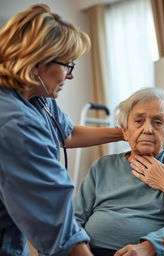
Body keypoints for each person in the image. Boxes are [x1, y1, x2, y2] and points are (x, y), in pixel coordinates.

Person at [0, 4, 123, 256]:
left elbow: (67, 135)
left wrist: (124, 133)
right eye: (67, 64)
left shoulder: (38, 98)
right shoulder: (15, 122)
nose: (70, 75)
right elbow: (59, 233)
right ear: (36, 63)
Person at [74, 87, 164, 256]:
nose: (148, 129)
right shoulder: (103, 166)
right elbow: (74, 218)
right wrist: (79, 250)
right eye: (139, 121)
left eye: (157, 122)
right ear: (125, 131)